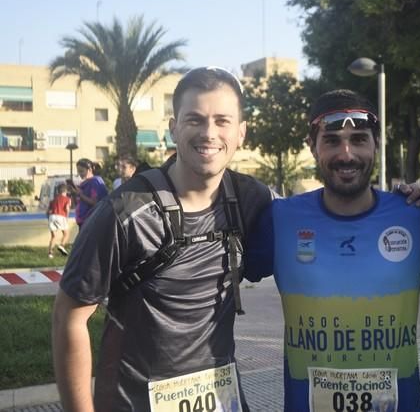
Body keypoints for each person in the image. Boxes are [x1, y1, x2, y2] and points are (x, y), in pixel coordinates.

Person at [52, 66, 273, 412]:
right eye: (194, 120)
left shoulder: (252, 199)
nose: (208, 133)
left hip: (223, 400)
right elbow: (69, 315)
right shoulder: (126, 210)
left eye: (222, 121)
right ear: (173, 128)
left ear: (242, 132)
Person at [245, 89, 420, 412]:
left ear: (376, 145)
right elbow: (214, 276)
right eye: (331, 140)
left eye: (358, 139)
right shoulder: (280, 219)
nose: (346, 154)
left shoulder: (415, 216)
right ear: (312, 147)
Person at [65, 158, 108, 229]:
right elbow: (78, 203)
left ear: (90, 170)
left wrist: (79, 194)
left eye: (81, 171)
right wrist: (73, 193)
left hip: (92, 220)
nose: (79, 174)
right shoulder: (84, 184)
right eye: (78, 171)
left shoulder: (95, 182)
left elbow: (94, 202)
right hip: (83, 221)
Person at [46, 183, 71, 258]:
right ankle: (62, 245)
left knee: (53, 236)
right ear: (65, 191)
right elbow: (67, 208)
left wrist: (49, 219)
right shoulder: (67, 199)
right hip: (61, 216)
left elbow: (47, 212)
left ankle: (50, 253)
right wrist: (66, 217)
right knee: (66, 233)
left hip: (52, 217)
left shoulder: (53, 200)